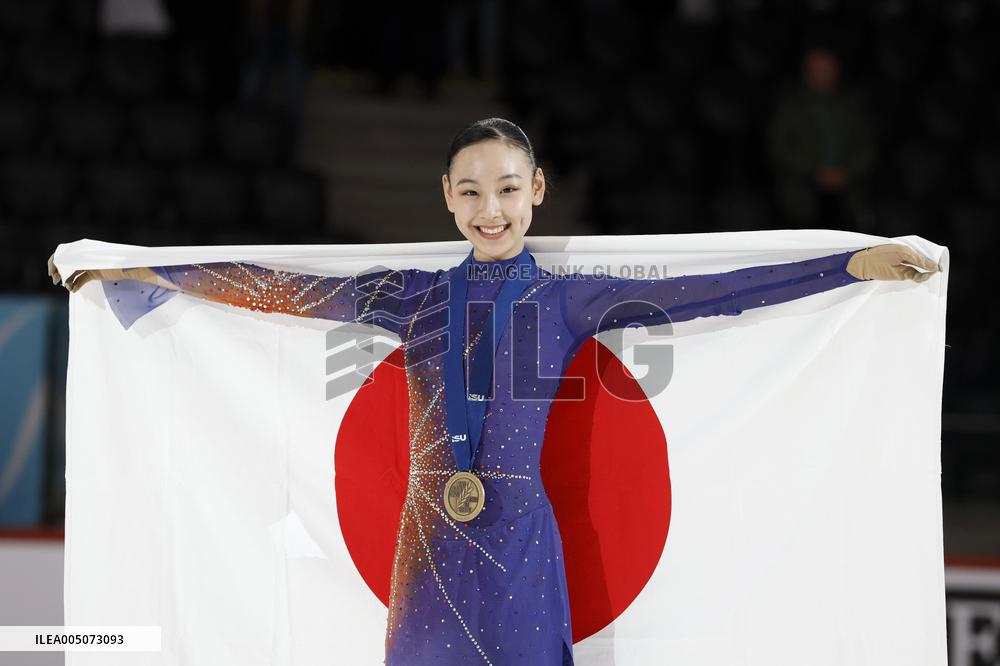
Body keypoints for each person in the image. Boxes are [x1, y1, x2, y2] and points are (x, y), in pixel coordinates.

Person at [47, 118, 938, 665]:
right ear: (446, 196)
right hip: (427, 547)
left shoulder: (567, 301)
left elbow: (713, 292)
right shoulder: (411, 297)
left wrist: (846, 267)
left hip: (520, 542)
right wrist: (144, 271)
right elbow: (277, 287)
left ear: (537, 191)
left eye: (508, 188)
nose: (490, 209)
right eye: (471, 191)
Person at [768, 44, 875, 231]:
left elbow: (866, 145)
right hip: (801, 197)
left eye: (826, 68)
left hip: (847, 195)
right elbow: (779, 146)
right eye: (815, 69)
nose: (821, 74)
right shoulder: (791, 106)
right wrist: (814, 171)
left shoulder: (851, 106)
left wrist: (847, 172)